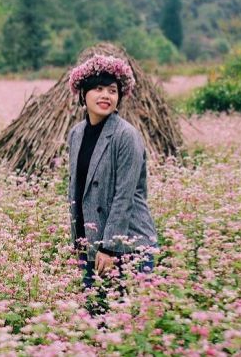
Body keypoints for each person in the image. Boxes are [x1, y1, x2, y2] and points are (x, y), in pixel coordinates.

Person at [66, 51, 158, 314]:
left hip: (126, 246)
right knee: (96, 321)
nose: (105, 95)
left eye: (112, 90)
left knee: (127, 325)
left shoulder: (126, 135)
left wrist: (109, 247)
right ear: (83, 94)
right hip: (91, 244)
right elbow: (76, 190)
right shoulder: (76, 134)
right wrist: (79, 243)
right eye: (97, 89)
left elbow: (124, 197)